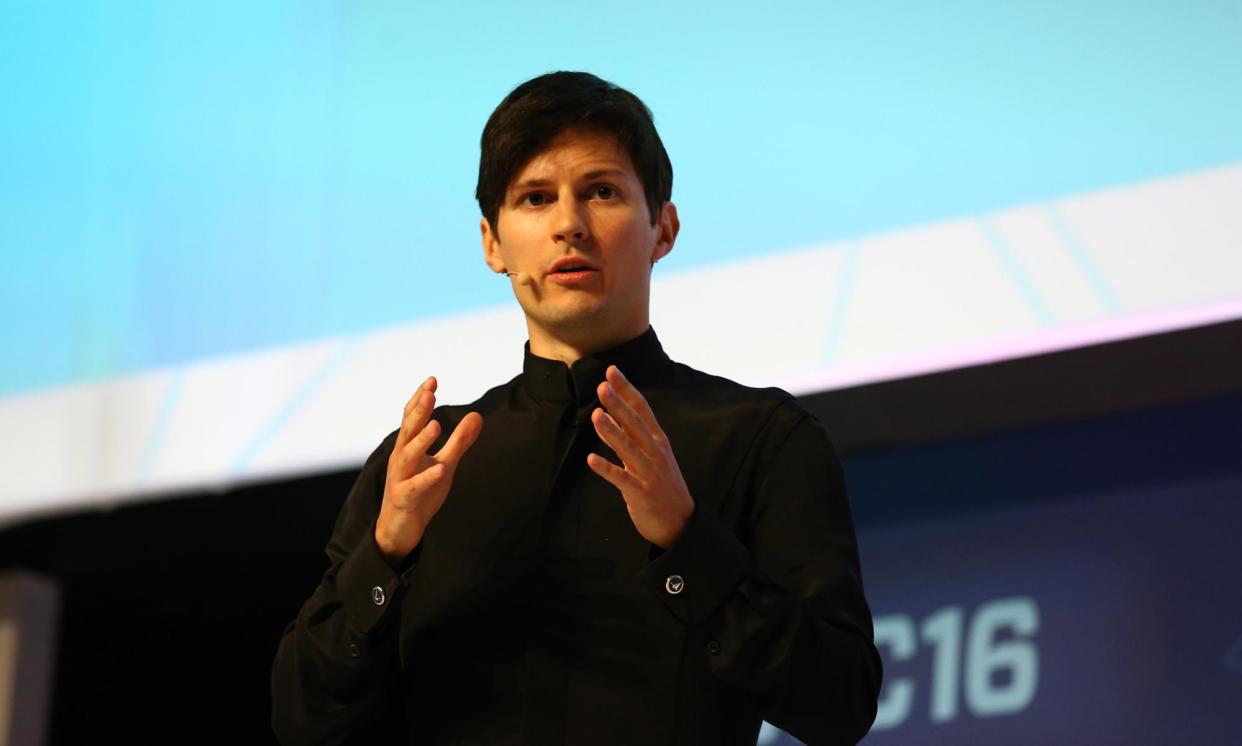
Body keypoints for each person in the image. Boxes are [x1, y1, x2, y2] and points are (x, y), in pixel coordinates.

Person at [271, 71, 881, 745]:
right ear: (492, 243)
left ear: (663, 228)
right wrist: (384, 555)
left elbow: (841, 702)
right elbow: (304, 720)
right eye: (535, 198)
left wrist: (687, 540)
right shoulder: (424, 462)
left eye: (602, 192)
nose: (569, 225)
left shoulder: (763, 440)